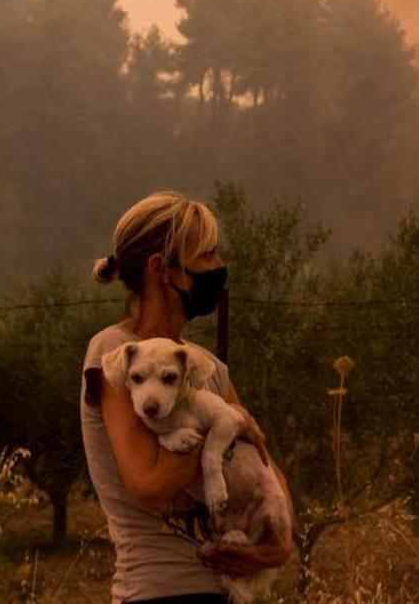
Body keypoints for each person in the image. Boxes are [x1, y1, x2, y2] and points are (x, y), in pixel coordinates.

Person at [80, 191, 293, 603]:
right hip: (160, 590)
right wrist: (223, 421)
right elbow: (149, 483)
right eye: (207, 256)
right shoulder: (116, 354)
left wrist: (278, 546)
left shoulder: (204, 366)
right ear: (162, 269)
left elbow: (267, 467)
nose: (218, 268)